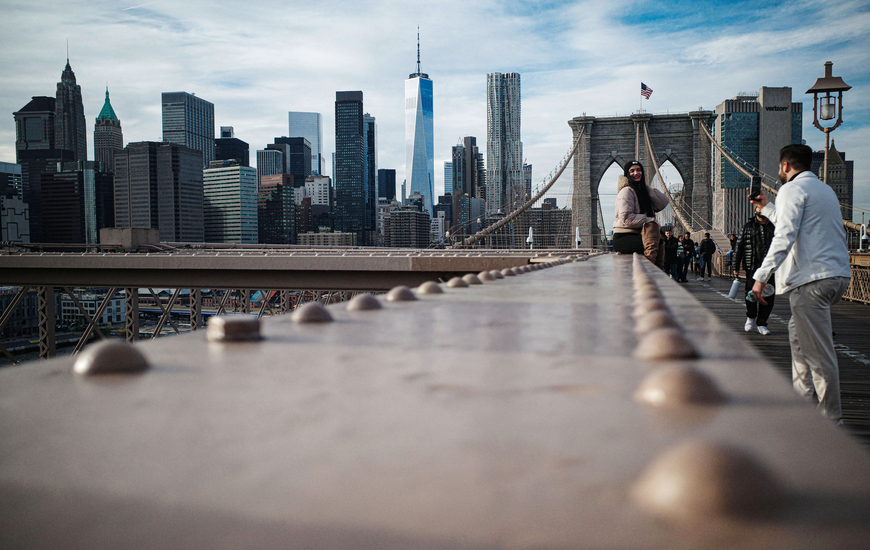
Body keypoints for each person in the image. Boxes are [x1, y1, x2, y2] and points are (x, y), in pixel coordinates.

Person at [751, 144, 851, 424]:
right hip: (835, 276)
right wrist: (767, 208)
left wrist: (761, 276)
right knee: (799, 338)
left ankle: (832, 421)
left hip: (812, 280)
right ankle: (803, 404)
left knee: (819, 353)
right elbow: (796, 224)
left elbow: (784, 235)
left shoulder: (790, 190)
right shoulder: (823, 190)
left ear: (784, 166)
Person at [612, 161, 669, 266]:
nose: (636, 173)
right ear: (627, 174)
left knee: (659, 242)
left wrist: (646, 187)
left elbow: (662, 203)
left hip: (639, 235)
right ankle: (650, 269)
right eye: (632, 171)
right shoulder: (626, 191)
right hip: (624, 237)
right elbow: (627, 219)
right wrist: (648, 219)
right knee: (653, 230)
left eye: (639, 170)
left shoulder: (643, 192)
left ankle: (654, 271)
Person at [733, 212, 776, 335]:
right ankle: (751, 316)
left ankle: (762, 323)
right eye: (758, 207)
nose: (761, 210)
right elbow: (739, 246)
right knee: (751, 293)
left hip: (769, 267)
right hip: (752, 266)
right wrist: (735, 265)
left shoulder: (774, 226)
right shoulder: (748, 226)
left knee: (769, 294)